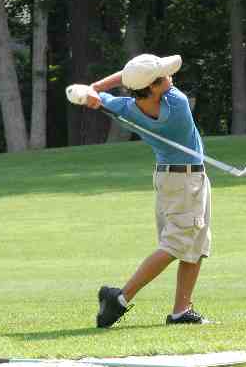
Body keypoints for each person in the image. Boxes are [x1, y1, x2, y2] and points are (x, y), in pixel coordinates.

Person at [83, 53, 211, 328]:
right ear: (153, 88)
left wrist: (93, 91)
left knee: (195, 244)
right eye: (164, 76)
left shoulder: (126, 107)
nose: (170, 76)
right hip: (186, 182)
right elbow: (129, 76)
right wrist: (98, 88)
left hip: (172, 180)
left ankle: (181, 311)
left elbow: (126, 81)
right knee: (177, 244)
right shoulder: (176, 104)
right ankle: (119, 298)